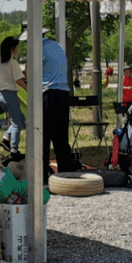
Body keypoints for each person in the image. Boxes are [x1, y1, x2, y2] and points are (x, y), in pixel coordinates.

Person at [40, 36, 77, 176]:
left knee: (43, 136)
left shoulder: (38, 49)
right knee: (61, 137)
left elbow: (32, 74)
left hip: (48, 93)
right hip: (63, 93)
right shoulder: (57, 46)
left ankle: (42, 175)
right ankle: (65, 172)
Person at [0, 36, 27, 154]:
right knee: (17, 123)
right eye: (17, 47)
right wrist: (27, 89)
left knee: (21, 119)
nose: (18, 48)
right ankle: (14, 149)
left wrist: (2, 77)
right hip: (10, 94)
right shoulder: (13, 63)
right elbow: (18, 80)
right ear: (13, 49)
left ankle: (6, 138)